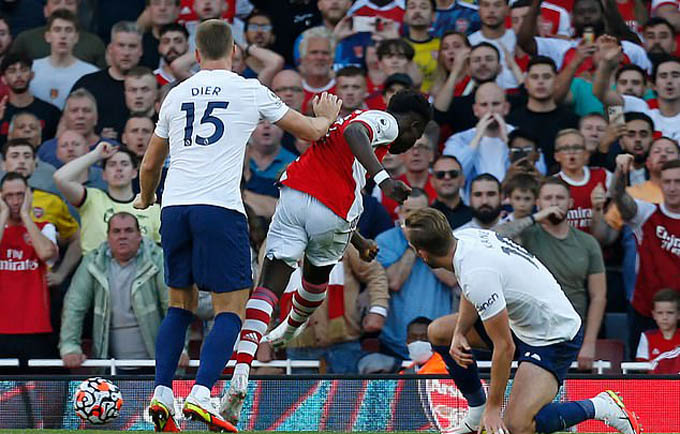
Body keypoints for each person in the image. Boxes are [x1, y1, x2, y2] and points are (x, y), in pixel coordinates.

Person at [133, 19, 345, 432]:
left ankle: (161, 393)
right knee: (231, 308)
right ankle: (201, 394)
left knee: (180, 305)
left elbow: (150, 163)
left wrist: (145, 197)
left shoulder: (176, 95)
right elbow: (309, 132)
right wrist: (325, 116)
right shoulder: (248, 89)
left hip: (175, 207)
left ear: (196, 54)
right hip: (220, 207)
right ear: (234, 51)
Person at [224, 89, 432, 424]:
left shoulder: (342, 127)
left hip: (294, 193)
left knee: (267, 287)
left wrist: (359, 241)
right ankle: (291, 329)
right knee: (315, 279)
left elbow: (342, 153)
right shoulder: (386, 122)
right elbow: (355, 134)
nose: (411, 141)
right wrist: (385, 180)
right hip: (331, 210)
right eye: (417, 134)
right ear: (414, 126)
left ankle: (242, 369)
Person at [404, 207, 639, 434]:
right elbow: (471, 288)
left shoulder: (477, 273)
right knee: (440, 332)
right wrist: (459, 332)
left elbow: (504, 347)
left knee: (516, 425)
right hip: (521, 323)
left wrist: (495, 409)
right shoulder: (464, 240)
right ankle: (476, 410)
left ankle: (601, 406)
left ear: (422, 254)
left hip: (554, 336)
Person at [496, 177, 607, 370]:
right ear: (538, 203)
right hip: (532, 331)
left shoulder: (587, 242)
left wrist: (589, 343)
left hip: (573, 331)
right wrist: (535, 217)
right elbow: (496, 237)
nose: (554, 203)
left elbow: (599, 296)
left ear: (570, 203)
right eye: (548, 198)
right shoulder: (526, 235)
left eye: (559, 197)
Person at [59, 212, 177, 371]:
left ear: (139, 235)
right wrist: (69, 347)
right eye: (116, 231)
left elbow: (173, 306)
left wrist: (179, 348)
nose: (122, 236)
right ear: (108, 237)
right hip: (109, 364)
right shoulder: (93, 261)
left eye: (129, 231)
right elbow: (74, 305)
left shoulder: (157, 259)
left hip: (155, 363)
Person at [279, 244, 389, 373]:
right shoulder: (277, 241)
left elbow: (375, 273)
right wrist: (263, 341)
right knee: (304, 394)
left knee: (349, 393)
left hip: (345, 344)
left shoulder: (346, 237)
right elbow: (265, 293)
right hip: (300, 348)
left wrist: (378, 311)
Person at [610, 155, 680, 357]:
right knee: (641, 374)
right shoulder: (646, 212)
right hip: (646, 310)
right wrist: (620, 171)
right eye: (667, 181)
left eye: (678, 181)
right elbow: (617, 194)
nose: (672, 187)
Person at [0, 172, 59, 372]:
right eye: (9, 196)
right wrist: (2, 215)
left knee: (37, 396)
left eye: (20, 195)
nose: (15, 201)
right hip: (1, 328)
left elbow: (46, 253)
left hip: (35, 326)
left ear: (29, 196)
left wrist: (26, 215)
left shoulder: (44, 227)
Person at [54, 144, 161, 254]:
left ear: (134, 172)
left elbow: (161, 250)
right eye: (112, 165)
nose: (118, 169)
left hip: (142, 268)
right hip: (94, 268)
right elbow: (60, 178)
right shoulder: (91, 199)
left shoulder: (152, 208)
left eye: (124, 164)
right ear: (104, 174)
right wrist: (96, 155)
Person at [71, 21, 143, 140]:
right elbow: (68, 123)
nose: (126, 53)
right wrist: (95, 137)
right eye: (121, 45)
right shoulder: (88, 84)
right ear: (110, 49)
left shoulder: (150, 85)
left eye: (132, 46)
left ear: (141, 51)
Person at [30, 9, 98, 110]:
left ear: (76, 37)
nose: (63, 36)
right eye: (57, 30)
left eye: (68, 30)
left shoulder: (91, 73)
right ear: (48, 36)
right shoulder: (32, 69)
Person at [0, 53, 61, 146]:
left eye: (24, 70)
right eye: (12, 71)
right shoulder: (1, 113)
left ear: (32, 75)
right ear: (3, 79)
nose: (19, 75)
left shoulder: (51, 112)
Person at [635, 289, 680, 374]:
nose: (665, 317)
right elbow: (641, 367)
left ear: (678, 314)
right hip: (654, 384)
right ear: (654, 315)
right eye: (660, 313)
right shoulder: (646, 337)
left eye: (670, 313)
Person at [431, 155, 473, 229]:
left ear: (463, 180)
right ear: (432, 181)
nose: (447, 177)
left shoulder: (475, 216)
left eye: (453, 174)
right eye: (440, 174)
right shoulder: (426, 216)